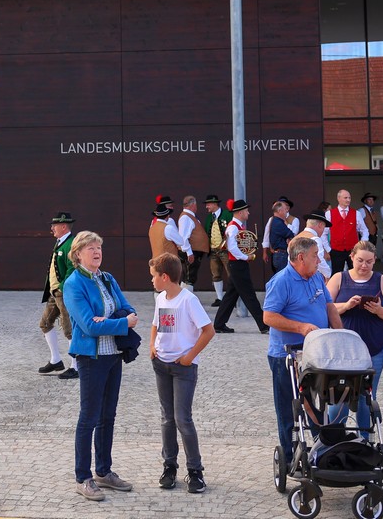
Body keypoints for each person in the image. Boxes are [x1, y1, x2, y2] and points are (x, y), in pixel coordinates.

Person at [64, 230, 137, 501]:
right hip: (91, 359)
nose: (97, 252)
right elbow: (86, 325)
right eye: (91, 248)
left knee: (108, 416)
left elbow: (127, 307)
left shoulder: (107, 278)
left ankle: (103, 472)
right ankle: (83, 477)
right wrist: (120, 323)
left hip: (113, 355)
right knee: (89, 417)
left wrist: (111, 321)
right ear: (78, 254)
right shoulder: (74, 284)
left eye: (99, 247)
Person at [262, 235, 342, 466]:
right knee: (290, 407)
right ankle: (289, 456)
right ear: (300, 257)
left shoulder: (316, 277)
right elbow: (268, 316)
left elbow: (329, 307)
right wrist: (301, 327)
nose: (319, 259)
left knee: (318, 403)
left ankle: (321, 449)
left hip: (317, 352)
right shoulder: (282, 281)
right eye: (315, 256)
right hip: (286, 355)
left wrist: (341, 336)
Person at [149, 252, 213, 494]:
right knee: (167, 418)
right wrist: (152, 345)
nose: (152, 281)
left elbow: (208, 330)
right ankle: (170, 466)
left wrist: (189, 356)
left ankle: (195, 471)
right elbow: (157, 323)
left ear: (165, 277)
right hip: (161, 364)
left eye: (154, 277)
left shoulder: (188, 300)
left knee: (182, 419)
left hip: (183, 368)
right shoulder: (161, 298)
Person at [325, 240, 383, 438]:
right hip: (342, 349)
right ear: (351, 258)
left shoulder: (382, 280)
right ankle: (335, 440)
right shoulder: (339, 278)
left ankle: (366, 440)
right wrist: (346, 305)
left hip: (375, 347)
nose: (364, 266)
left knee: (367, 395)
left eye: (369, 262)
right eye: (360, 261)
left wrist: (378, 310)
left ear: (375, 261)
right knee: (338, 396)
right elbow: (326, 309)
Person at [212, 199, 267, 334]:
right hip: (237, 264)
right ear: (240, 212)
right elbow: (232, 248)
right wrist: (246, 257)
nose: (248, 212)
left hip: (237, 265)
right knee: (249, 295)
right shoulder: (233, 227)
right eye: (246, 210)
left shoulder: (237, 226)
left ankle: (219, 324)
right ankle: (264, 325)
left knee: (231, 296)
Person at [38, 211, 77, 378]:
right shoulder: (61, 242)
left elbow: (72, 268)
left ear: (63, 226)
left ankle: (75, 366)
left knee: (69, 329)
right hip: (55, 293)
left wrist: (61, 287)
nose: (51, 228)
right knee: (45, 323)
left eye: (54, 225)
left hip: (63, 292)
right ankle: (56, 360)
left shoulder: (70, 244)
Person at [326, 189, 366, 276]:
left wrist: (362, 244)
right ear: (338, 198)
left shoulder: (356, 213)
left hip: (353, 250)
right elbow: (323, 233)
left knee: (356, 273)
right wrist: (328, 249)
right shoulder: (329, 214)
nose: (348, 200)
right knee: (336, 274)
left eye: (349, 198)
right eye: (345, 198)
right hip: (336, 249)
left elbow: (364, 230)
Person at [202, 195, 232, 305]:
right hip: (213, 250)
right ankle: (220, 298)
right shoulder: (209, 218)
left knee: (231, 274)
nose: (206, 206)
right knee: (215, 274)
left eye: (208, 204)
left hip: (225, 250)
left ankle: (231, 299)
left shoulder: (227, 215)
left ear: (215, 204)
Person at [148, 196, 186, 276]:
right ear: (167, 216)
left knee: (158, 286)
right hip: (168, 263)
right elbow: (181, 242)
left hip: (155, 261)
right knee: (170, 286)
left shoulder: (152, 227)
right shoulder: (168, 227)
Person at [177, 196, 208, 290]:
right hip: (191, 252)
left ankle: (182, 298)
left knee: (187, 277)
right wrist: (189, 253)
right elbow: (183, 237)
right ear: (193, 205)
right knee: (190, 278)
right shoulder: (185, 217)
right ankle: (185, 301)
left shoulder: (188, 216)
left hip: (192, 251)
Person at [296, 211, 333, 281]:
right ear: (320, 225)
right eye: (324, 227)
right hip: (310, 278)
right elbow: (319, 261)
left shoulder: (296, 238)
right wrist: (328, 274)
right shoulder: (315, 240)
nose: (323, 231)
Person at [263, 199, 296, 274]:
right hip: (281, 255)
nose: (286, 211)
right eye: (285, 209)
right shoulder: (278, 223)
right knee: (282, 278)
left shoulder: (278, 221)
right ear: (279, 211)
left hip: (280, 255)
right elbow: (290, 234)